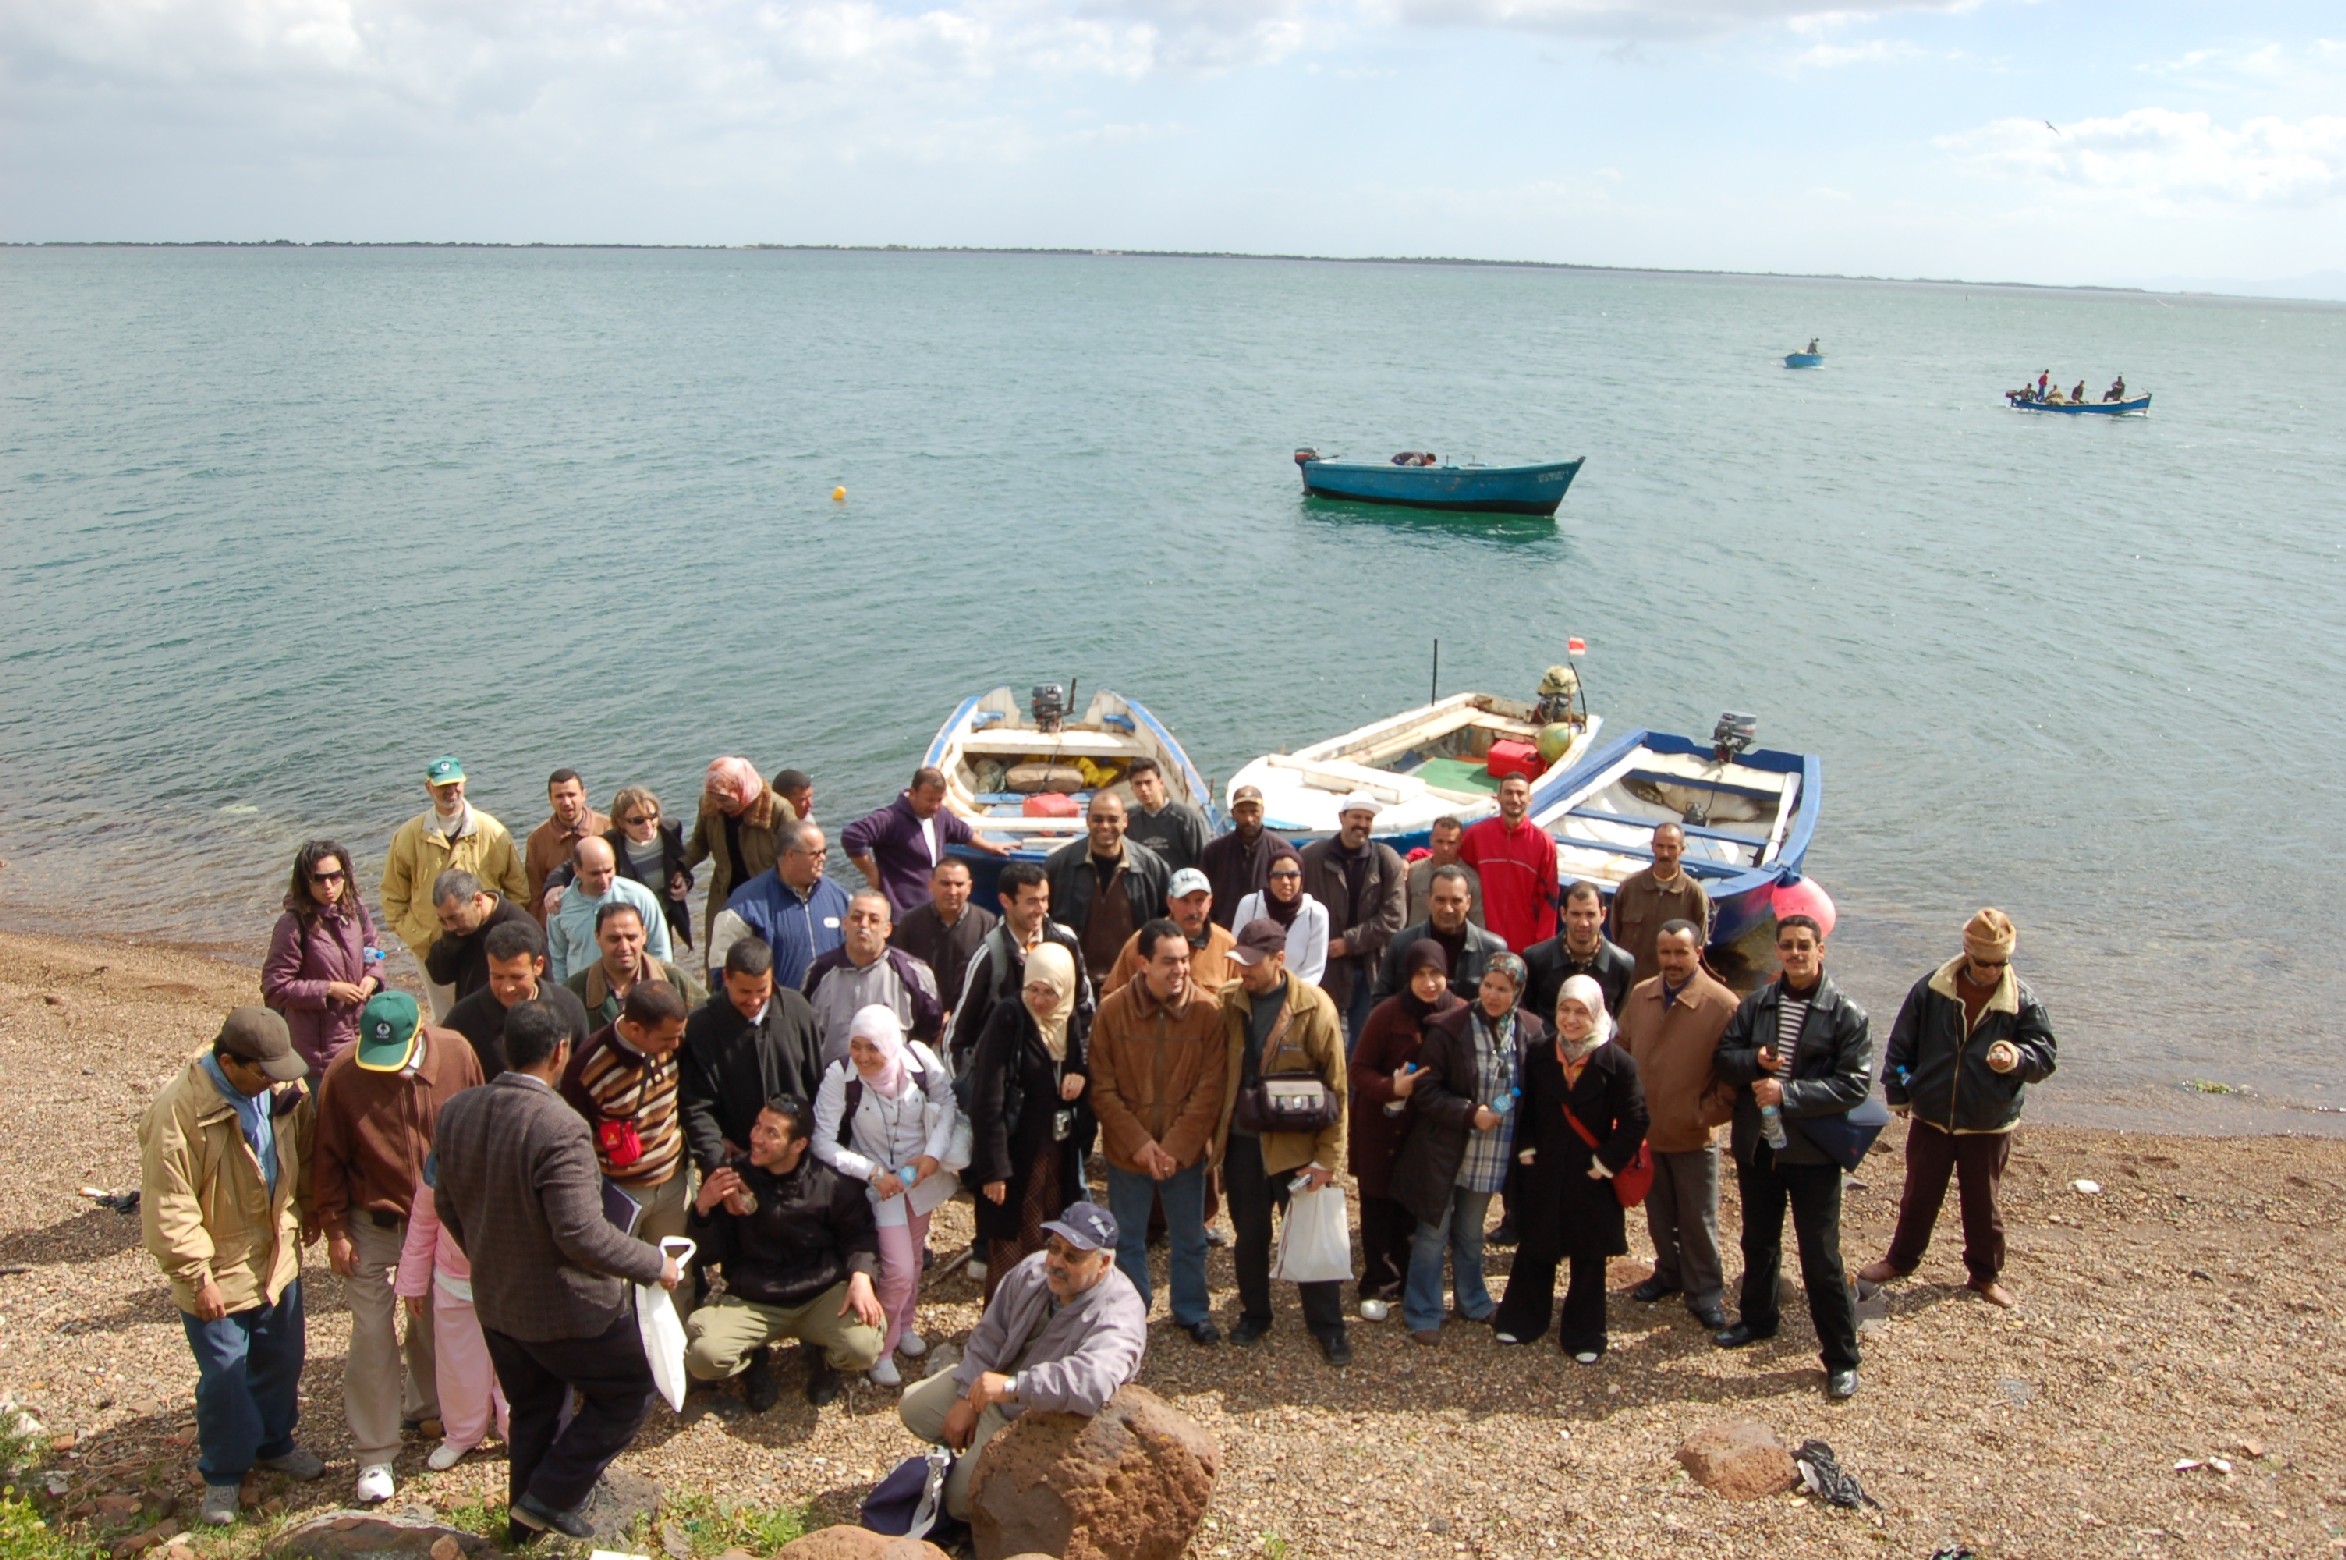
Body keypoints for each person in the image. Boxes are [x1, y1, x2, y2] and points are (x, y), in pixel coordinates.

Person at [431, 1000, 681, 1542]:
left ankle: (524, 1526)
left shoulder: (457, 1111)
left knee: (534, 1410)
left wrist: (494, 1256)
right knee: (630, 1389)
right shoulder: (560, 1126)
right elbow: (582, 1235)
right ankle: (551, 1495)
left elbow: (447, 1206)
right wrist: (655, 1264)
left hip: (497, 1300)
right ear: (561, 1051)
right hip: (567, 1307)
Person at [138, 1008, 324, 1527]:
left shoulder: (283, 1088)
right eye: (264, 1071)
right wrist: (196, 1275)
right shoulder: (178, 1111)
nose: (277, 1080)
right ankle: (222, 1474)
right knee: (224, 1375)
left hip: (275, 1254)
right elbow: (168, 1205)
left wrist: (306, 1209)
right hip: (217, 1266)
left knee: (282, 1358)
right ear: (229, 1062)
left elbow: (303, 1152)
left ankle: (274, 1443)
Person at [311, 991, 483, 1504]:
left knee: (434, 1316)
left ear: (420, 1035)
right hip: (373, 1222)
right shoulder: (343, 1074)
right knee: (370, 1334)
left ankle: (430, 1408)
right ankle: (374, 1453)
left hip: (439, 1223)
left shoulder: (457, 1053)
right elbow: (327, 1158)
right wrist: (335, 1230)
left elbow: (479, 1123)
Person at [898, 1203, 1146, 1524]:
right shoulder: (1032, 1271)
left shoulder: (1121, 1312)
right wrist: (966, 1399)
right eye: (1054, 1248)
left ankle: (991, 1483)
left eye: (1072, 1256)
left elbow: (1092, 1382)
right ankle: (974, 1459)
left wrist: (1016, 1387)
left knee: (960, 1502)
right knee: (912, 1407)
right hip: (991, 1388)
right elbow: (989, 1334)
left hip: (1038, 1416)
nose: (1056, 1262)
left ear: (1104, 1263)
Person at [1860, 908, 2057, 1309]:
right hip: (1932, 1114)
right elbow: (1902, 1045)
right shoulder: (1932, 990)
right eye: (1982, 962)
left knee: (1983, 1203)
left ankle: (1985, 1275)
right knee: (1918, 1194)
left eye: (1999, 963)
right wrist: (1898, 1088)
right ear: (1967, 953)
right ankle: (1901, 1260)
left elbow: (2045, 1057)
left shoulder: (2022, 1002)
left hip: (1987, 1120)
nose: (1989, 971)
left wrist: (2017, 1058)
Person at [1713, 914, 1873, 1400]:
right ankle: (1758, 1320)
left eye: (1805, 946)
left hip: (1813, 1154)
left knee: (1821, 1257)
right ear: (1778, 952)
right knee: (1758, 1242)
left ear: (1821, 950)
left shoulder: (1847, 1014)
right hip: (1759, 1147)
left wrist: (1789, 1092)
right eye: (1787, 946)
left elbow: (1855, 1084)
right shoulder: (1757, 1003)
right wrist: (1753, 1063)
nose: (1796, 954)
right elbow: (1724, 1057)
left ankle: (1842, 1357)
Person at [683, 1094, 886, 1408]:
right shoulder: (733, 1179)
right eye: (757, 1127)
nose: (756, 1139)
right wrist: (703, 1208)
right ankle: (752, 1359)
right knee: (704, 1358)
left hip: (819, 1295)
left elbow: (860, 1235)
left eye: (771, 1133)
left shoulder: (831, 1183)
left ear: (798, 1145)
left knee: (863, 1346)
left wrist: (861, 1277)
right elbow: (707, 1254)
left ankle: (825, 1359)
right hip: (754, 1298)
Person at [1212, 920, 1351, 1364]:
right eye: (1239, 962)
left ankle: (1327, 1326)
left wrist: (1328, 1159)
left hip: (1297, 1149)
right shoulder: (1228, 1002)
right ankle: (1255, 1313)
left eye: (1252, 964)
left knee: (1309, 1236)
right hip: (1242, 1144)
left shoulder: (1315, 1007)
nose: (1243, 973)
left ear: (1279, 960)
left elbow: (1338, 1089)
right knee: (1250, 1234)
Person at [1493, 976, 1649, 1361]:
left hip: (1590, 1174)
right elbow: (1526, 1107)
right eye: (1565, 1009)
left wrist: (1606, 1162)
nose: (1571, 1019)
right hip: (1544, 1168)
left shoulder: (1617, 1063)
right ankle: (1523, 1319)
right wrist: (1526, 1148)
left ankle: (1584, 1334)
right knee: (1535, 1244)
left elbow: (1636, 1120)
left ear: (1597, 1013)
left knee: (1588, 1255)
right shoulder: (1541, 1053)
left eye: (1581, 1011)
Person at [1089, 918, 1227, 1344]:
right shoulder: (1111, 1012)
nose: (1180, 970)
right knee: (1127, 1239)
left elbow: (1210, 1088)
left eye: (1185, 961)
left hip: (1183, 1155)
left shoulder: (1207, 1013)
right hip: (1127, 1152)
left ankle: (1191, 1311)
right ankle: (1132, 1313)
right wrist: (1141, 1144)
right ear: (1142, 963)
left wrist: (1175, 1147)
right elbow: (1102, 1087)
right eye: (1169, 962)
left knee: (1190, 1239)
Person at [1390, 953, 1540, 1343]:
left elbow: (1530, 1087)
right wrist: (1470, 1113)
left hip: (1492, 1150)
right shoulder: (1450, 1028)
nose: (1492, 995)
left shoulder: (1530, 1030)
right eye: (1487, 986)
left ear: (1518, 992)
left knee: (1472, 1231)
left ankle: (1472, 1300)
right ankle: (1423, 1310)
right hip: (1446, 1149)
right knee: (1432, 1232)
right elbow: (1425, 1090)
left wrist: (1506, 1115)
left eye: (1502, 989)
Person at [812, 1006, 962, 1385]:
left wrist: (931, 1156)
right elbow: (822, 1142)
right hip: (880, 1189)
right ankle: (883, 1345)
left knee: (912, 1259)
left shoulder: (920, 1061)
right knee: (896, 1270)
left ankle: (905, 1324)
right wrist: (872, 1172)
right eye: (856, 1046)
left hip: (921, 1180)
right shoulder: (839, 1075)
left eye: (873, 1048)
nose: (863, 1057)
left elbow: (947, 1107)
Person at [1616, 920, 1739, 1330]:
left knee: (1698, 1220)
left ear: (1698, 952)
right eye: (1665, 952)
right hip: (1649, 1134)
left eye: (1680, 952)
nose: (1671, 961)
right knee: (1658, 1214)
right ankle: (1668, 1273)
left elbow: (1731, 1080)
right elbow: (1623, 1050)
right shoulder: (1642, 994)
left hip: (1693, 1135)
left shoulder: (1722, 1005)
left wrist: (1702, 1114)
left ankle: (1705, 1292)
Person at [966, 942, 1090, 1300]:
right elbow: (987, 1098)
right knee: (1009, 1244)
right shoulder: (1009, 1017)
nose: (1038, 1000)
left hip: (1055, 1153)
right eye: (1032, 989)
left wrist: (1080, 1078)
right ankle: (999, 1330)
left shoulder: (1068, 1019)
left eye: (1049, 992)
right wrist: (993, 1169)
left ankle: (1036, 1324)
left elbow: (1077, 1067)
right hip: (1015, 1155)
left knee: (1047, 1237)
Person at [1349, 941, 1463, 1323]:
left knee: (1417, 1206)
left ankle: (1414, 1282)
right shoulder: (1387, 1014)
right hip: (1383, 1125)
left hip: (1428, 1129)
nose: (1429, 984)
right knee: (1379, 1206)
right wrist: (1390, 1088)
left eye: (1436, 974)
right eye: (1421, 975)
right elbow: (1360, 1069)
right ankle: (1379, 1281)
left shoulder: (1459, 1013)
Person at [380, 756, 527, 1018]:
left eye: (456, 784)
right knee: (446, 1017)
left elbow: (518, 890)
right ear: (428, 787)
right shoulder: (408, 836)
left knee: (492, 1012)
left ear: (464, 783)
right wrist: (423, 939)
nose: (451, 791)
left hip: (485, 945)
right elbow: (393, 899)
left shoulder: (491, 831)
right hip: (435, 949)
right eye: (442, 786)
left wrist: (501, 934)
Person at [394, 1156, 509, 1472]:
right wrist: (413, 1283)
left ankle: (520, 1433)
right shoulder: (444, 1157)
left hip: (511, 1283)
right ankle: (462, 1434)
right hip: (454, 1282)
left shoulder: (517, 1145)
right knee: (458, 1366)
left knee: (515, 1365)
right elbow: (422, 1222)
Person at [679, 937, 828, 1179]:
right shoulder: (701, 1027)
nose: (754, 1001)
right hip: (735, 1164)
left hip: (797, 1162)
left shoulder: (798, 1011)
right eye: (744, 992)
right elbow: (696, 1106)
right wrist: (716, 1159)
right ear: (726, 978)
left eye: (762, 990)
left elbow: (816, 1085)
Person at [561, 980, 694, 1243]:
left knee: (677, 1276)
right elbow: (573, 1140)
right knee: (615, 1280)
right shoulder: (586, 1070)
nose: (677, 1045)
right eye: (668, 1039)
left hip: (673, 1184)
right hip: (621, 1193)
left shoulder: (673, 1044)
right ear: (635, 1029)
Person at [940, 861, 1093, 1076]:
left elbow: (1085, 1009)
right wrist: (969, 1092)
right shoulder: (988, 955)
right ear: (1005, 901)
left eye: (1044, 899)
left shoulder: (1065, 942)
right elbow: (956, 1037)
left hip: (1060, 1079)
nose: (1041, 909)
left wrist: (1080, 1070)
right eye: (1031, 902)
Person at [262, 839, 385, 1077]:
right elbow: (274, 987)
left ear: (345, 875)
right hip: (318, 1052)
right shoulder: (293, 924)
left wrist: (373, 975)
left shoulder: (355, 909)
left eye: (335, 876)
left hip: (362, 1035)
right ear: (304, 882)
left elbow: (374, 947)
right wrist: (329, 989)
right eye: (318, 879)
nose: (328, 886)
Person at [1300, 791, 1407, 1048]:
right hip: (1324, 969)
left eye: (1368, 818)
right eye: (1356, 816)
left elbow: (1395, 917)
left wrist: (1349, 943)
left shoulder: (1386, 859)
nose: (1362, 824)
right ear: (1342, 817)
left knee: (1365, 1043)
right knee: (1320, 1039)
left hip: (1370, 969)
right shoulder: (1312, 857)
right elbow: (1296, 907)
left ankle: (1355, 1088)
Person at [802, 889, 943, 1067]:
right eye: (856, 918)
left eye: (874, 920)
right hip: (831, 1083)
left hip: (895, 1086)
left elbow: (929, 1028)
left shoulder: (913, 974)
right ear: (845, 924)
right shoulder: (818, 971)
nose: (863, 925)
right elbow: (804, 1027)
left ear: (887, 929)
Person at [1043, 793, 1170, 988]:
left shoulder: (1151, 868)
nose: (1104, 826)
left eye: (1112, 819)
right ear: (1087, 820)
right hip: (1074, 980)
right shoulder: (1059, 866)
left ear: (1125, 821)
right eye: (1097, 819)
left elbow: (1167, 921)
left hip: (1133, 983)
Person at [843, 766, 1008, 915]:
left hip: (932, 907)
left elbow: (962, 832)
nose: (935, 806)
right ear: (912, 793)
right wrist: (873, 874)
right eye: (930, 800)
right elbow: (853, 836)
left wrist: (990, 847)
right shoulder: (890, 819)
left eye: (939, 800)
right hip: (902, 911)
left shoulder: (939, 815)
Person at [707, 820, 850, 990]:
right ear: (790, 855)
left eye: (824, 851)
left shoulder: (839, 897)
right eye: (816, 853)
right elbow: (721, 972)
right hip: (778, 1013)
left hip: (832, 1009)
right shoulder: (743, 907)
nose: (823, 858)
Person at [443, 918, 591, 1081]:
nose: (507, 988)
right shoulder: (463, 1020)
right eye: (497, 976)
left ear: (538, 966)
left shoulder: (568, 1006)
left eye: (516, 977)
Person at [682, 756, 795, 949]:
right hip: (726, 894)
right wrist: (679, 867)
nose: (719, 805)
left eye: (725, 799)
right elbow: (699, 844)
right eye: (715, 799)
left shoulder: (777, 810)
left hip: (767, 896)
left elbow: (795, 856)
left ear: (741, 789)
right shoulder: (709, 805)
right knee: (720, 954)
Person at [545, 837, 673, 984]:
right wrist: (564, 999)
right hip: (584, 992)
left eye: (608, 871)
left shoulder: (639, 897)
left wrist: (659, 988)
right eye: (595, 873)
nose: (603, 880)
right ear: (577, 870)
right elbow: (558, 959)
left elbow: (659, 948)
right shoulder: (559, 907)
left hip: (636, 989)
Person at [1372, 864, 1506, 1004]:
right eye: (1440, 900)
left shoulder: (1493, 950)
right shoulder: (1401, 944)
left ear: (1468, 902)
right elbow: (1380, 1001)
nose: (1448, 909)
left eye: (1456, 901)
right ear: (1429, 901)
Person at [1456, 772, 1557, 956]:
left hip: (1523, 947)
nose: (1515, 798)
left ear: (1530, 799)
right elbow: (1446, 856)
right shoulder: (1477, 835)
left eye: (1520, 793)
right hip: (1480, 942)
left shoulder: (1543, 843)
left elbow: (1549, 902)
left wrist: (1542, 950)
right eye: (1509, 793)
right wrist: (1411, 858)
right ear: (1498, 797)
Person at [564, 900, 705, 1029]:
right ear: (597, 938)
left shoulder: (673, 979)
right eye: (614, 939)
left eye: (631, 938)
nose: (624, 947)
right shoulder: (575, 991)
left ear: (644, 935)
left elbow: (710, 1021)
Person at [889, 858, 998, 1019]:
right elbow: (899, 973)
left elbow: (991, 979)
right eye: (945, 884)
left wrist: (956, 1014)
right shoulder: (910, 922)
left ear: (969, 887)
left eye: (959, 885)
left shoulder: (987, 923)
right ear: (930, 885)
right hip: (920, 1016)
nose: (952, 891)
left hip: (969, 1017)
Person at [1102, 867, 1235, 997]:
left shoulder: (1227, 946)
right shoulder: (1142, 941)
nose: (1192, 911)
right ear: (1169, 902)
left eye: (1199, 901)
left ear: (1210, 902)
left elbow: (1240, 1002)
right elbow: (1110, 998)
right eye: (1184, 900)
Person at [1609, 822, 1711, 982]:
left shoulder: (1694, 894)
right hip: (1631, 983)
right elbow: (1616, 932)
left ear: (1682, 850)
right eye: (1660, 846)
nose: (1665, 853)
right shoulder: (1629, 887)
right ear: (1652, 847)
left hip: (1673, 986)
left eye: (1672, 847)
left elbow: (1700, 941)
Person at [601, 785, 696, 951]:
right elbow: (573, 865)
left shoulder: (670, 830)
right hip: (629, 924)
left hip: (664, 917)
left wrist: (684, 883)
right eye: (638, 821)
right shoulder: (611, 844)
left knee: (663, 968)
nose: (648, 825)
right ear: (621, 823)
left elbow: (680, 865)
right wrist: (554, 886)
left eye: (652, 816)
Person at [1525, 880, 1636, 1023]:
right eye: (1576, 914)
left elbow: (1619, 1015)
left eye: (1590, 914)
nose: (1583, 923)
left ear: (1603, 914)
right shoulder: (1536, 959)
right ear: (1563, 914)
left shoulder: (1622, 965)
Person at [421, 870, 536, 1007]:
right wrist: (450, 939)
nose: (450, 926)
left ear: (478, 900)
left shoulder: (521, 927)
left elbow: (542, 988)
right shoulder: (459, 930)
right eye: (443, 920)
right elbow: (439, 975)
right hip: (470, 1018)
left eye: (454, 917)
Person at [1233, 844, 1329, 986]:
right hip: (1252, 989)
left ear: (1301, 878)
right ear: (1268, 878)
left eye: (1292, 875)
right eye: (1277, 875)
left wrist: (1289, 997)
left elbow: (1313, 969)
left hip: (1298, 996)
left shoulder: (1316, 914)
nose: (1285, 882)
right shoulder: (1249, 905)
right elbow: (1237, 952)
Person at [1197, 784, 1291, 929]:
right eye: (1242, 812)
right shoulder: (1213, 852)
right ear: (1233, 813)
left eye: (1254, 811)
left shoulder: (1281, 851)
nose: (1248, 818)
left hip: (1268, 935)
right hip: (1225, 934)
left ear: (1263, 811)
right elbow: (1203, 896)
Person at [523, 770, 608, 927]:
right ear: (550, 799)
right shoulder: (537, 840)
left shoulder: (607, 828)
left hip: (605, 914)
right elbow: (534, 894)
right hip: (560, 922)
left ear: (584, 794)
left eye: (571, 794)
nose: (567, 802)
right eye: (559, 796)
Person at [1122, 756, 1210, 877]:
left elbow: (1204, 861)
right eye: (1138, 784)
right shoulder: (1128, 819)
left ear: (1161, 783)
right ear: (1132, 788)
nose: (1143, 789)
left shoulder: (1186, 819)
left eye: (1148, 782)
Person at [1404, 816, 1484, 929]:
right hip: (1417, 943)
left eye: (1451, 843)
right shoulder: (1414, 872)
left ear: (1460, 843)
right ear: (1431, 840)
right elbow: (1402, 914)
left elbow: (1478, 924)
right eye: (1440, 841)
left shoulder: (1471, 879)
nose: (1445, 848)